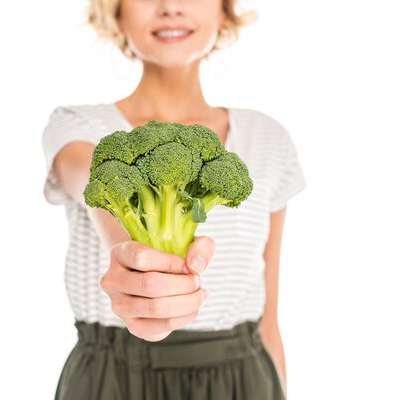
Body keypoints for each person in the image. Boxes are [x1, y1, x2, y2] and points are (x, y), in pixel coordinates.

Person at [41, 0, 306, 398]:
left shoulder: (268, 139)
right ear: (116, 11)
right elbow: (89, 180)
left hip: (241, 378)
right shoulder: (79, 124)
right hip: (109, 379)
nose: (171, 7)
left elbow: (269, 319)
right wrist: (132, 258)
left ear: (224, 10)